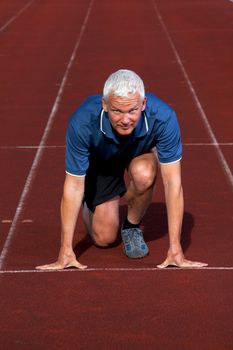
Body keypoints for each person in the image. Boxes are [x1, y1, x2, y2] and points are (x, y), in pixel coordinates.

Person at [37, 69, 207, 270]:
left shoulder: (164, 118)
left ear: (143, 104)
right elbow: (73, 186)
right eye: (117, 111)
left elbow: (173, 184)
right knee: (104, 238)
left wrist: (175, 249)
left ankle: (131, 226)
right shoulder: (82, 123)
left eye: (132, 111)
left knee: (144, 173)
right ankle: (90, 205)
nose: (125, 120)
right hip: (102, 162)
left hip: (139, 153)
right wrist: (65, 250)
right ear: (104, 105)